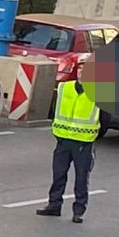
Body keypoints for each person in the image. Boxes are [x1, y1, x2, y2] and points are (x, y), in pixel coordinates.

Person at [38, 69, 101, 220]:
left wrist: (93, 134)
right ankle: (54, 205)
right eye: (80, 68)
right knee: (58, 175)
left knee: (81, 178)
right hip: (63, 140)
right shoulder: (64, 87)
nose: (82, 72)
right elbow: (55, 108)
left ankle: (78, 211)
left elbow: (104, 117)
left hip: (83, 142)